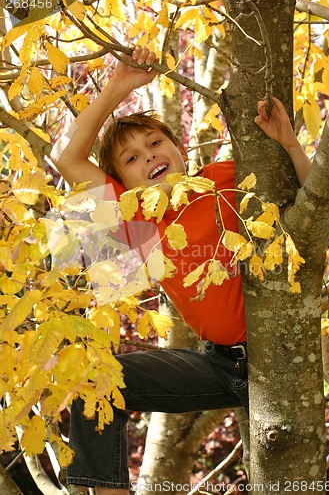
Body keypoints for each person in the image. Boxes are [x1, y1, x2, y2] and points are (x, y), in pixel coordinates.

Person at [51, 45, 311, 494]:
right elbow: (68, 160)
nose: (148, 156)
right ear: (122, 184)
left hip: (283, 353)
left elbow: (318, 203)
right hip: (225, 366)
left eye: (155, 143)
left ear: (179, 147)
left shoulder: (225, 176)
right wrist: (119, 85)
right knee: (94, 379)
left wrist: (289, 143)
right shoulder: (142, 222)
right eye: (131, 159)